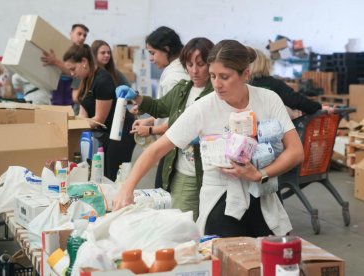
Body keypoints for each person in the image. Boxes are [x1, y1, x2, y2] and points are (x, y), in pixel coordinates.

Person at [112, 40, 305, 238]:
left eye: (225, 77)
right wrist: (127, 189)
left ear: (245, 74)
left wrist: (260, 174)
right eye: (213, 76)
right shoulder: (203, 107)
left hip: (264, 198)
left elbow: (296, 151)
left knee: (272, 262)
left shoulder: (268, 99)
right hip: (221, 201)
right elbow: (157, 149)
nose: (217, 84)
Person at [117, 37, 214, 221]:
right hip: (178, 167)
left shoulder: (214, 94)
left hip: (200, 170)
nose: (194, 70)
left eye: (200, 64)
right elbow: (160, 106)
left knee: (186, 223)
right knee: (180, 219)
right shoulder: (183, 88)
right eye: (190, 64)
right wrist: (136, 97)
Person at [63, 44, 136, 181]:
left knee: (114, 176)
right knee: (103, 175)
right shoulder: (85, 80)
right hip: (107, 132)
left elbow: (98, 119)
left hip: (121, 131)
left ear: (84, 62)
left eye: (73, 69)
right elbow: (83, 115)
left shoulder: (102, 80)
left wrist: (71, 126)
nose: (72, 74)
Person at [133, 26, 189, 189]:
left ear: (166, 49)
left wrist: (151, 130)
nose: (150, 58)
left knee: (164, 190)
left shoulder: (175, 77)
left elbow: (179, 120)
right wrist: (150, 121)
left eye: (152, 53)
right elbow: (167, 108)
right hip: (170, 140)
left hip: (172, 144)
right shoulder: (174, 71)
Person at [249, 48, 323, 116]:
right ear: (265, 64)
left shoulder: (240, 85)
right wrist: (319, 108)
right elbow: (296, 101)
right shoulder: (274, 84)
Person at [41, 24, 89, 106]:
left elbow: (73, 73)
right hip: (57, 86)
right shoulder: (59, 48)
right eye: (79, 34)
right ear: (71, 34)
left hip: (73, 88)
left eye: (84, 35)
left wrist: (55, 62)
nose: (82, 38)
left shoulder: (85, 53)